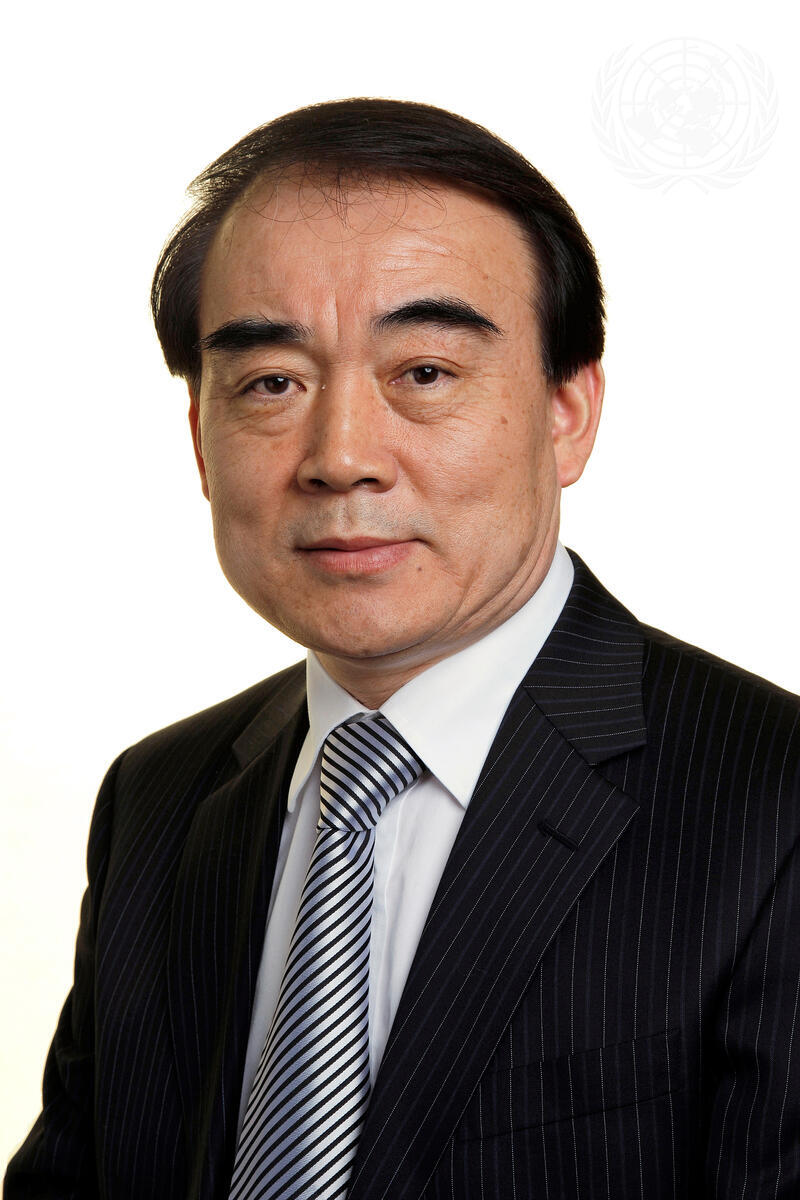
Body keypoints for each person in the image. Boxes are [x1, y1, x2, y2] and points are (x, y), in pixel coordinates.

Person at [5, 97, 799, 1200]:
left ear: (568, 412)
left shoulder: (773, 805)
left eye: (422, 373)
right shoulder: (158, 798)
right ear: (200, 442)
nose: (340, 457)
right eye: (271, 383)